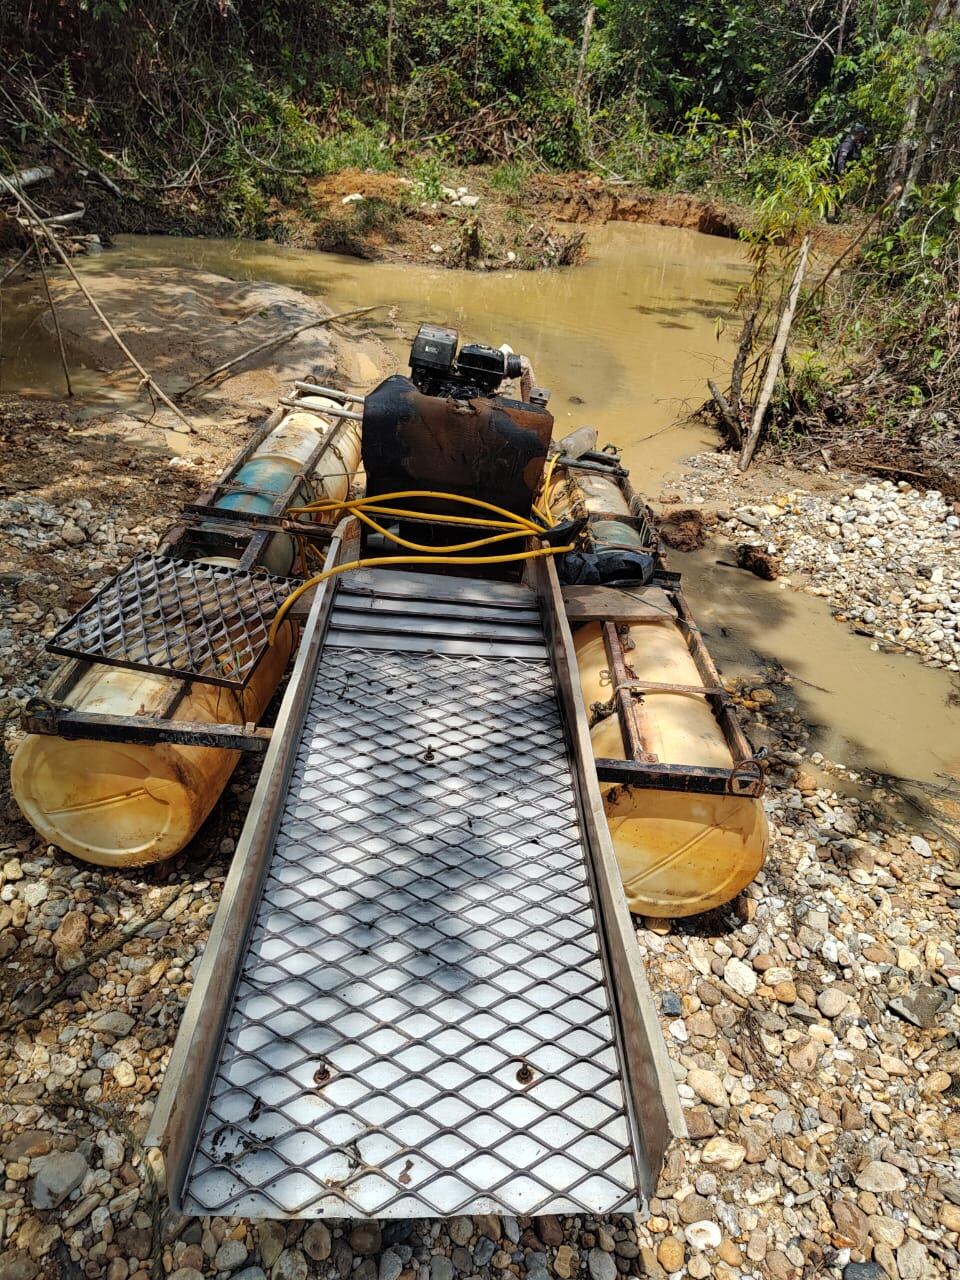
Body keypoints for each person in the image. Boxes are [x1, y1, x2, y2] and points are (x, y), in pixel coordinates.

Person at [827, 122, 868, 222]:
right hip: (838, 173)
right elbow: (841, 159)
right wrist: (841, 175)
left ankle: (837, 216)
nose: (862, 137)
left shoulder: (854, 143)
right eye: (861, 134)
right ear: (858, 134)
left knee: (840, 195)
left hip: (844, 173)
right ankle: (826, 216)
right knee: (833, 194)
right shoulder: (848, 143)